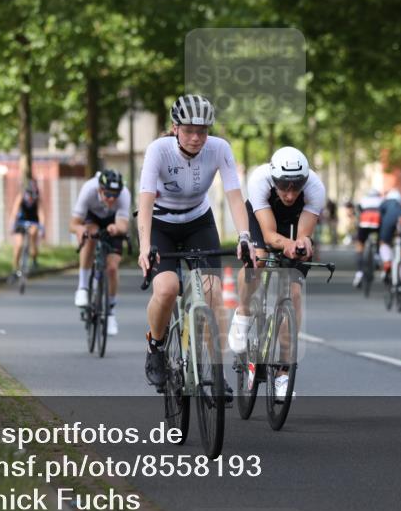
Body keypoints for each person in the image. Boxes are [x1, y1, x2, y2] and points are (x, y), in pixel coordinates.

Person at [136, 94, 251, 397]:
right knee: (167, 288)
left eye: (203, 131)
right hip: (162, 225)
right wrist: (144, 245)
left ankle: (215, 372)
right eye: (189, 130)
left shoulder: (219, 149)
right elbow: (145, 203)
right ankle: (156, 346)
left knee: (212, 294)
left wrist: (244, 237)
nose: (196, 138)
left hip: (199, 223)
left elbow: (235, 197)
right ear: (175, 128)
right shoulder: (158, 151)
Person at [228, 146, 324, 399]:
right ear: (274, 179)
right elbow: (269, 235)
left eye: (296, 187)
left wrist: (302, 244)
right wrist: (286, 245)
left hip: (294, 225)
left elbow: (303, 234)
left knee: (294, 294)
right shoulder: (260, 180)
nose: (290, 194)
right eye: (284, 186)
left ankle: (283, 370)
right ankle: (244, 313)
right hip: (263, 221)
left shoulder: (315, 188)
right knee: (257, 261)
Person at [70, 169, 130, 336]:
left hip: (113, 223)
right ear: (99, 190)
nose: (111, 199)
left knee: (112, 268)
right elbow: (73, 224)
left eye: (115, 195)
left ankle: (110, 312)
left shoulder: (124, 193)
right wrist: (80, 229)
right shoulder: (88, 189)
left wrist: (116, 228)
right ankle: (82, 287)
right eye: (108, 194)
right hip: (92, 218)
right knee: (90, 236)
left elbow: (123, 225)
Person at [378, 188, 401, 297]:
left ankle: (387, 261)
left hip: (389, 219)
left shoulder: (385, 203)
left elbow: (380, 219)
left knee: (384, 243)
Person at [8, 179, 46, 275]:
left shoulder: (37, 200)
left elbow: (41, 214)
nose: (31, 199)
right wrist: (12, 225)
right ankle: (15, 268)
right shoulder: (20, 197)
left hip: (33, 222)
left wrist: (42, 228)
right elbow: (14, 212)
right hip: (21, 222)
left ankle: (34, 258)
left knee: (33, 234)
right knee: (18, 245)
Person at [352, 188, 384, 288]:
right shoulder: (381, 200)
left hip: (364, 222)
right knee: (381, 239)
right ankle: (378, 255)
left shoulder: (363, 199)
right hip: (377, 223)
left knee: (360, 244)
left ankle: (359, 272)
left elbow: (357, 211)